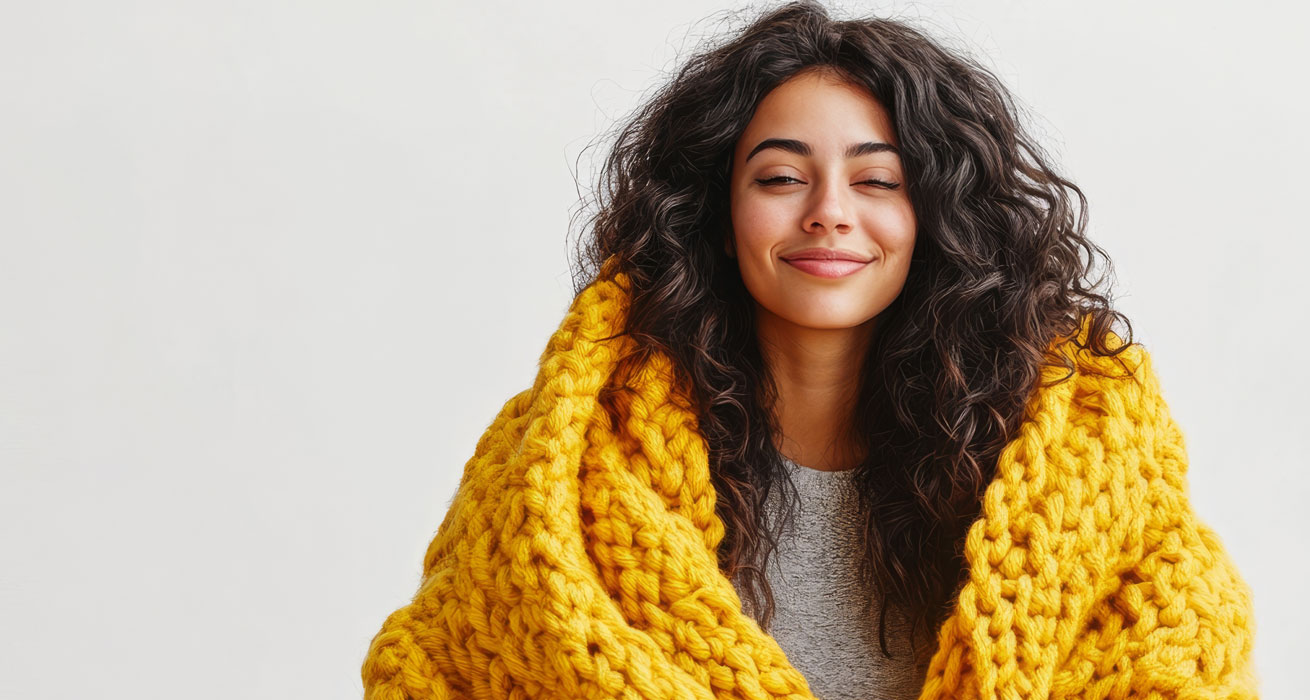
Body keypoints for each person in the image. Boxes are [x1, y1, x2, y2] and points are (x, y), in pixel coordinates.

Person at [363, 3, 1258, 699]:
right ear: (717, 215)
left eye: (878, 180)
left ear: (937, 218)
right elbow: (437, 673)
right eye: (783, 177)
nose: (829, 211)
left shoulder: (1087, 467)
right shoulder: (560, 476)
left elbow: (1183, 666)